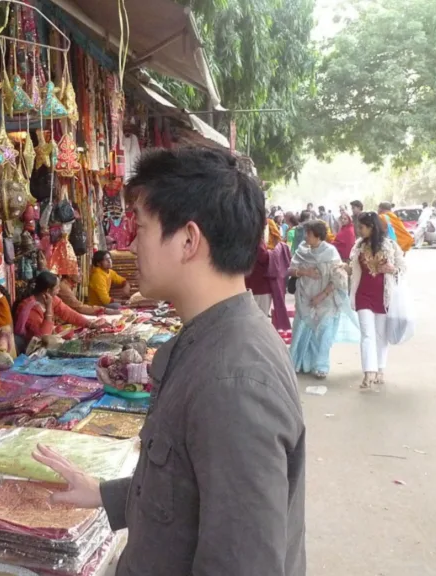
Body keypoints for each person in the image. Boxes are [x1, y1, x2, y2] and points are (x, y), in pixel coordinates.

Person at [31, 147, 305, 576]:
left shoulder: (233, 381)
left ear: (189, 240)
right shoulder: (209, 341)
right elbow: (185, 485)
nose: (130, 243)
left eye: (140, 228)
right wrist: (105, 494)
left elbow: (243, 563)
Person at [287, 220, 354, 379]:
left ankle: (321, 366)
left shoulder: (330, 253)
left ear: (318, 236)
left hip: (326, 300)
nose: (305, 237)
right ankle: (297, 363)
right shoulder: (302, 250)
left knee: (323, 333)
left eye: (309, 234)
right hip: (304, 298)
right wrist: (305, 273)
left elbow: (338, 279)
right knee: (300, 330)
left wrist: (321, 295)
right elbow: (289, 271)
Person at [349, 212, 406, 390]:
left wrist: (392, 269)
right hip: (362, 294)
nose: (359, 230)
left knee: (381, 335)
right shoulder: (358, 246)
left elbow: (402, 268)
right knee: (367, 334)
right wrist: (345, 269)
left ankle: (380, 368)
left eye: (362, 227)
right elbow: (353, 268)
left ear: (372, 227)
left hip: (383, 295)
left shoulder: (390, 245)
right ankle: (368, 372)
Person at [15, 272, 103, 341]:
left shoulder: (52, 298)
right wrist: (49, 309)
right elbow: (43, 337)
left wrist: (90, 324)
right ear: (48, 291)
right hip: (30, 346)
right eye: (57, 288)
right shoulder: (28, 308)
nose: (59, 289)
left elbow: (69, 313)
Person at [246, 228, 293, 332]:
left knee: (254, 317)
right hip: (259, 285)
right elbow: (264, 258)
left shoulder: (244, 237)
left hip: (251, 283)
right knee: (259, 319)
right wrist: (277, 251)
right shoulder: (254, 239)